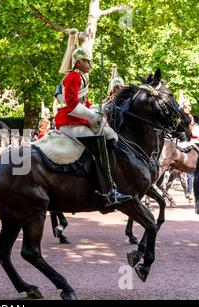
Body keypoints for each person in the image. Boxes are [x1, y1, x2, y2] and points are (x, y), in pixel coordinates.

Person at [54, 38, 132, 206]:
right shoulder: (73, 77)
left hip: (76, 118)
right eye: (88, 61)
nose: (90, 64)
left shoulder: (81, 78)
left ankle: (107, 176)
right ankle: (109, 188)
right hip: (69, 121)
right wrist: (92, 116)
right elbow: (72, 104)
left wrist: (99, 109)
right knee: (100, 139)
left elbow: (85, 104)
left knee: (110, 134)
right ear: (79, 62)